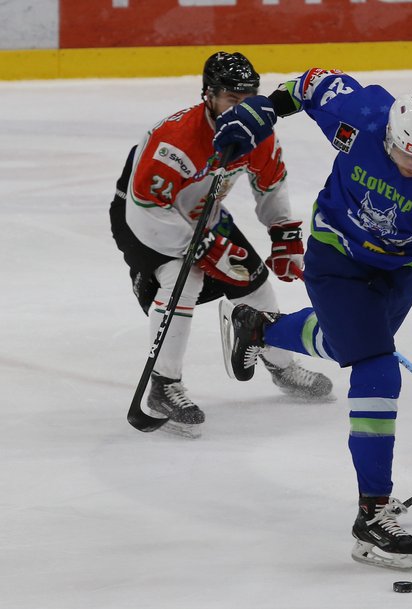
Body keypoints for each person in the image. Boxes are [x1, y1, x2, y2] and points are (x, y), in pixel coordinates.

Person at [210, 68, 412, 569]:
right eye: (405, 153)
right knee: (376, 367)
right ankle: (372, 515)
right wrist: (264, 107)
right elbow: (312, 84)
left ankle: (260, 328)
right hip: (337, 253)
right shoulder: (363, 116)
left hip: (402, 271)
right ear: (389, 135)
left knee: (344, 347)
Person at [109, 51, 333, 439]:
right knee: (184, 277)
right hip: (144, 217)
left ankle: (280, 364)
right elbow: (144, 207)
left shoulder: (256, 133)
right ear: (208, 95)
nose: (242, 107)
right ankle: (164, 384)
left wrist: (283, 236)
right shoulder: (174, 141)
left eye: (249, 97)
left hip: (204, 216)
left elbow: (271, 183)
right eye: (233, 98)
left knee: (256, 283)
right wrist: (194, 249)